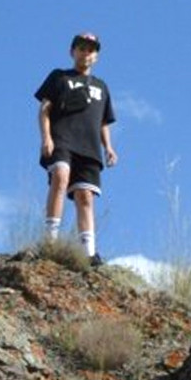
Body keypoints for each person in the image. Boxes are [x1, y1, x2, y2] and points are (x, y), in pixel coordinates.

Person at [32, 32, 117, 266]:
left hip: (89, 146)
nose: (85, 53)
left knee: (85, 196)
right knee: (60, 176)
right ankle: (50, 240)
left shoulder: (101, 86)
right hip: (62, 139)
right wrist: (46, 137)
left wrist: (109, 147)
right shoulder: (59, 77)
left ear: (96, 56)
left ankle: (89, 252)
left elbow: (103, 122)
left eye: (90, 50)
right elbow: (44, 109)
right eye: (81, 48)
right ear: (72, 52)